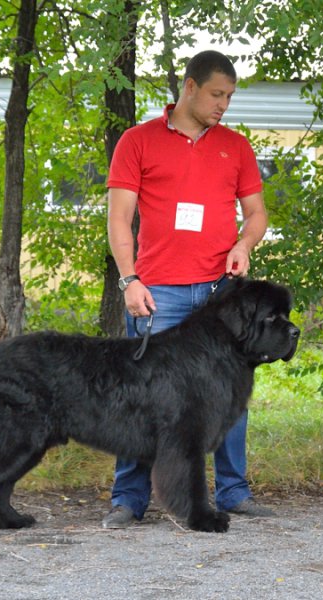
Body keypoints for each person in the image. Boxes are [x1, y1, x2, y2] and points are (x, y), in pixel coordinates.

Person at [102, 49, 273, 528]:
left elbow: (257, 214)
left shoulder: (235, 146)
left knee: (229, 391)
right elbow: (119, 218)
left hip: (221, 294)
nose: (224, 104)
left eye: (230, 97)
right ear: (190, 87)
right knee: (141, 394)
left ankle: (234, 492)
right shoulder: (138, 141)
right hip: (159, 292)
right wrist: (129, 279)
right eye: (217, 94)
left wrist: (244, 243)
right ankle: (129, 499)